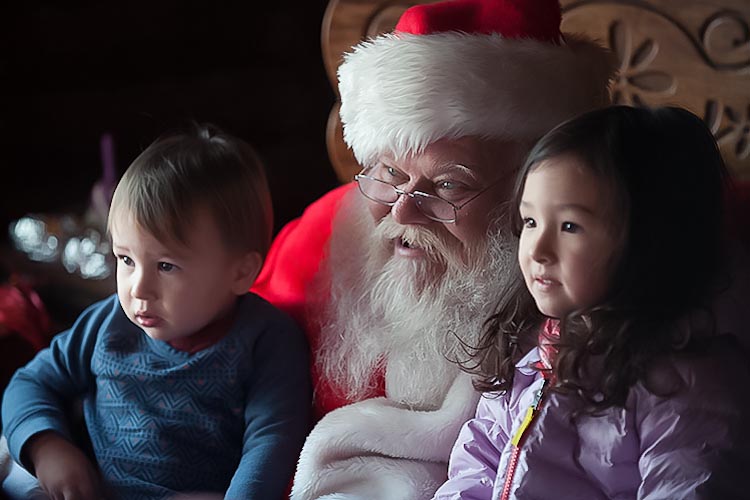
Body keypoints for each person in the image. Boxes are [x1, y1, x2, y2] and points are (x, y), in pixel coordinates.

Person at [249, 0, 617, 498]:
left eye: (446, 186)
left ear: (531, 193)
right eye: (389, 175)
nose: (402, 212)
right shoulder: (324, 235)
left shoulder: (593, 272)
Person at [432, 105, 750, 499]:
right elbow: (480, 459)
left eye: (570, 226)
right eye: (530, 222)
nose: (538, 250)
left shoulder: (685, 381)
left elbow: (689, 485)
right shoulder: (534, 345)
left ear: (650, 241)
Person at [2, 124, 312, 499]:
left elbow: (272, 440)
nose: (138, 289)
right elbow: (30, 382)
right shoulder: (107, 323)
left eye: (166, 266)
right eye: (126, 259)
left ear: (241, 272)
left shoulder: (266, 340)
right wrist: (48, 448)